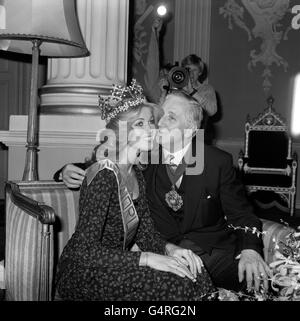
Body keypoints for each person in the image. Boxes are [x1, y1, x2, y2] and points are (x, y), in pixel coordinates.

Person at [54, 90, 271, 293]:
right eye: (159, 117)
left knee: (264, 285)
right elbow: (107, 164)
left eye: (171, 117)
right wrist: (63, 171)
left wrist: (251, 250)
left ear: (191, 129)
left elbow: (242, 214)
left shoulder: (217, 162)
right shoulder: (145, 156)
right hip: (163, 254)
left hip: (212, 252)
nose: (159, 124)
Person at [55, 80, 215, 301]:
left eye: (151, 122)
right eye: (140, 124)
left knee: (196, 273)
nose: (152, 129)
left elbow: (145, 232)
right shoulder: (104, 175)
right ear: (123, 131)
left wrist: (171, 250)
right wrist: (148, 258)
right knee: (178, 284)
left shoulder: (137, 173)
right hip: (85, 272)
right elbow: (85, 251)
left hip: (119, 264)